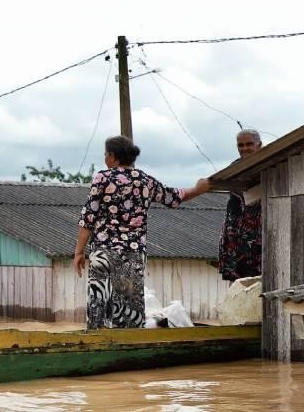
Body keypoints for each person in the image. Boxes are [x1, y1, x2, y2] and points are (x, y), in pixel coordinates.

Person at [74, 135, 211, 330]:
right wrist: (198, 189)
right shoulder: (145, 181)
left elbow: (88, 217)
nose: (105, 158)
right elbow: (173, 197)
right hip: (133, 255)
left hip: (104, 254)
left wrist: (79, 252)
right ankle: (130, 344)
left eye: (106, 154)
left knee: (99, 304)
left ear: (113, 156)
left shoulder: (102, 178)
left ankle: (97, 341)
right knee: (129, 308)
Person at [218, 129, 263, 282]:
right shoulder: (234, 168)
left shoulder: (268, 165)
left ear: (259, 145)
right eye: (240, 145)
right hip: (235, 233)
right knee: (238, 284)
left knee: (259, 280)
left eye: (249, 144)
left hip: (258, 234)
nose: (244, 149)